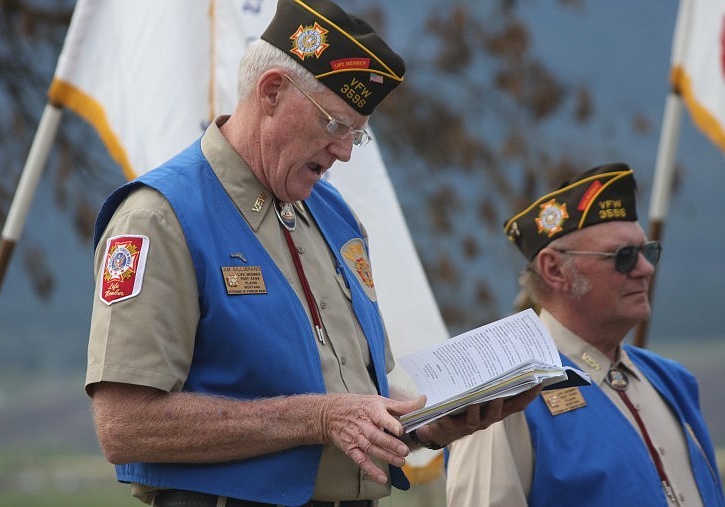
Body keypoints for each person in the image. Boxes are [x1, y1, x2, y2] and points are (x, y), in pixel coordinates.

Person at [85, 1, 542, 506]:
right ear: (272, 92)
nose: (345, 151)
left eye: (356, 133)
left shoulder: (332, 213)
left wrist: (426, 427)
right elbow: (124, 426)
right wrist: (320, 417)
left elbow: (353, 402)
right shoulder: (160, 217)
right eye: (334, 124)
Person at [445, 163, 725, 507]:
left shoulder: (673, 381)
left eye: (648, 251)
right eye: (623, 256)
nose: (647, 269)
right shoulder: (504, 399)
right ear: (555, 270)